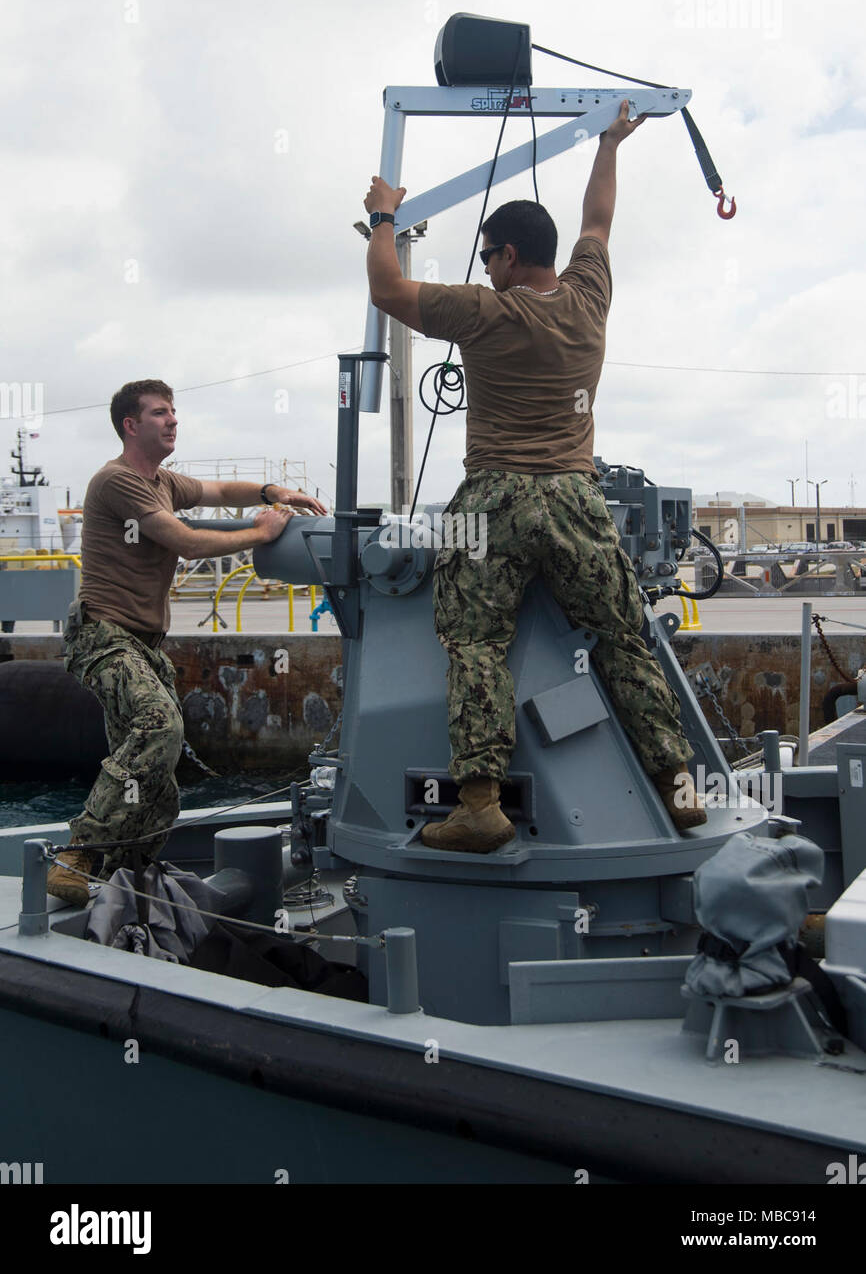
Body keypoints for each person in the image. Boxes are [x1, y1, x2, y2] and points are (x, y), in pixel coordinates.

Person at [362, 100, 706, 853]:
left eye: (489, 255)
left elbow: (387, 292)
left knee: (474, 636)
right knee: (621, 636)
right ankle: (679, 788)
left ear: (511, 255)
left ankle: (480, 802)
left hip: (495, 498)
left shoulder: (486, 313)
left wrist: (383, 217)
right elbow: (599, 220)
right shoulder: (590, 299)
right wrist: (610, 142)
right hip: (577, 498)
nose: (485, 267)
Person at [47, 379, 327, 905]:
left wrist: (273, 493)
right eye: (159, 413)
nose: (173, 420)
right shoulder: (117, 481)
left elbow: (221, 492)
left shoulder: (164, 483)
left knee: (161, 783)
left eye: (174, 411)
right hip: (104, 634)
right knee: (161, 725)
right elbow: (186, 542)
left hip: (143, 642)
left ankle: (125, 873)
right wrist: (261, 534)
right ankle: (77, 852)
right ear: (131, 425)